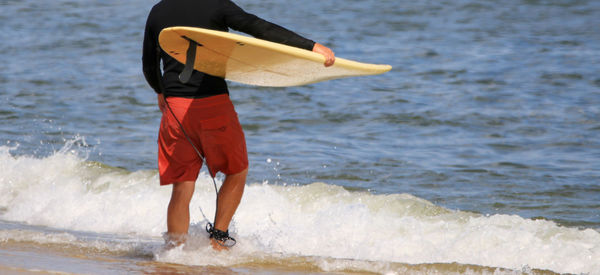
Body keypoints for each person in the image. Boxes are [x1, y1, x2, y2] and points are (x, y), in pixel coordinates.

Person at [142, 0, 335, 250]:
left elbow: (149, 64)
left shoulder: (159, 10)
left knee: (182, 186)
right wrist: (311, 46)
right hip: (213, 105)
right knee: (236, 170)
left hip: (175, 110)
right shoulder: (216, 5)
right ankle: (219, 242)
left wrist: (161, 91)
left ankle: (174, 254)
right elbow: (259, 28)